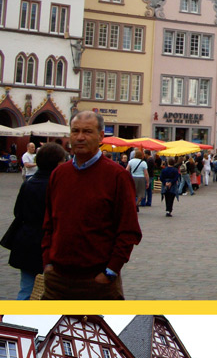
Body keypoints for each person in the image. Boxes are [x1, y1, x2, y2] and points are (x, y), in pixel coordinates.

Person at [41, 111, 142, 300]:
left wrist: (110, 271)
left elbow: (129, 230)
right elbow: (49, 222)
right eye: (75, 131)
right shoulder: (59, 174)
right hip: (57, 280)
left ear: (101, 136)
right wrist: (47, 262)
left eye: (87, 131)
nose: (80, 137)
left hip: (97, 283)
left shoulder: (117, 176)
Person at [4, 142, 66, 299]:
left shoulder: (28, 183)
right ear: (57, 163)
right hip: (51, 242)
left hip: (26, 239)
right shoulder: (58, 185)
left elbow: (17, 212)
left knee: (26, 288)